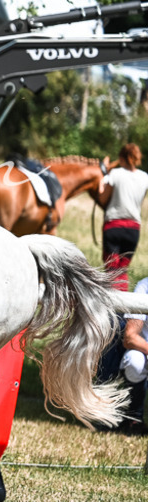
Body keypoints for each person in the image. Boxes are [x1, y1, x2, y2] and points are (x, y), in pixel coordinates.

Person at [98, 143, 146, 291]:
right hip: (133, 230)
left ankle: (112, 307)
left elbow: (102, 199)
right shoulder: (145, 177)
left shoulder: (116, 174)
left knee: (111, 268)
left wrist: (101, 182)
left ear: (122, 158)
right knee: (122, 269)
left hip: (114, 226)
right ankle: (122, 307)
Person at [115, 275, 148, 434]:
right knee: (133, 361)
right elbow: (129, 337)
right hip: (145, 349)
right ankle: (134, 417)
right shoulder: (145, 286)